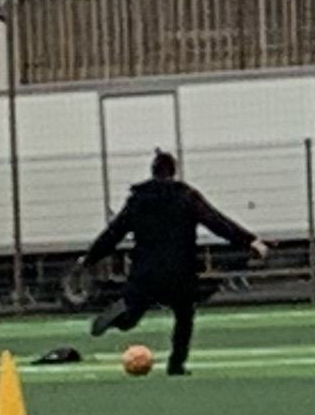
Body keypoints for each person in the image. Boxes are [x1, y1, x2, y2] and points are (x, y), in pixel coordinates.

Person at [84, 152, 263, 375]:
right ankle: (176, 364)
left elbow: (114, 232)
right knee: (184, 316)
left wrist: (90, 258)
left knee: (131, 317)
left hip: (145, 271)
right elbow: (217, 222)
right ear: (173, 171)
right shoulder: (186, 196)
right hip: (179, 270)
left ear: (153, 171)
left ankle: (117, 317)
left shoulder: (138, 199)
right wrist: (249, 240)